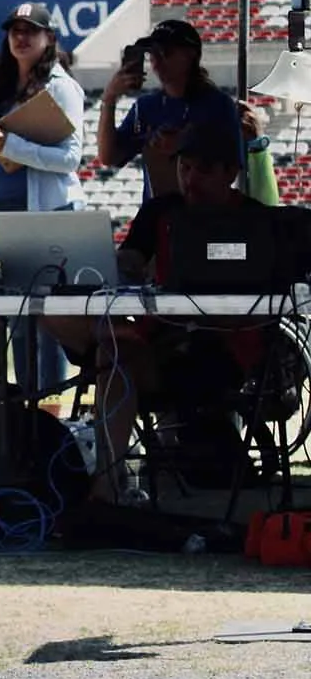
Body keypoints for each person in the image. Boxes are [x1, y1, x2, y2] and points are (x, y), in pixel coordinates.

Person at [42, 126, 289, 502]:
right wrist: (119, 264)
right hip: (156, 340)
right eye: (184, 168)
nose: (190, 180)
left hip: (221, 352)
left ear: (231, 173)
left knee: (114, 353)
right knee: (48, 314)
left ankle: (108, 487)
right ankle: (108, 485)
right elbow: (130, 259)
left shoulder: (254, 219)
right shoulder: (161, 210)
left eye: (201, 171)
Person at [0, 1, 87, 394]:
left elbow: (71, 158)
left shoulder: (61, 87)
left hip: (42, 213)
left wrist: (11, 145)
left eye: (30, 30)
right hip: (1, 209)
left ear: (48, 38)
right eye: (14, 30)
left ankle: (48, 407)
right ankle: (24, 407)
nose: (20, 38)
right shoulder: (4, 86)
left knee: (45, 318)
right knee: (15, 319)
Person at [96, 18, 240, 198]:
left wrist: (187, 144)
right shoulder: (145, 107)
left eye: (166, 52)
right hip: (158, 216)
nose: (156, 61)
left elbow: (232, 168)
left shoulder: (219, 105)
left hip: (205, 213)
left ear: (191, 55)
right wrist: (109, 99)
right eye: (152, 53)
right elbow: (109, 157)